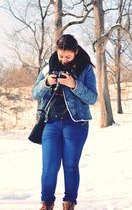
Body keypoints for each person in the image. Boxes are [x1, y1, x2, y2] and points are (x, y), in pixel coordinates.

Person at [32, 34, 98, 210]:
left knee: (70, 165)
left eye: (68, 57)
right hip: (50, 123)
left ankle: (69, 203)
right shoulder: (48, 67)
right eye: (61, 56)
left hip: (76, 124)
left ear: (76, 52)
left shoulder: (85, 69)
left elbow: (92, 98)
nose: (64, 60)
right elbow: (35, 94)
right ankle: (46, 203)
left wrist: (74, 84)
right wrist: (46, 82)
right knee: (49, 167)